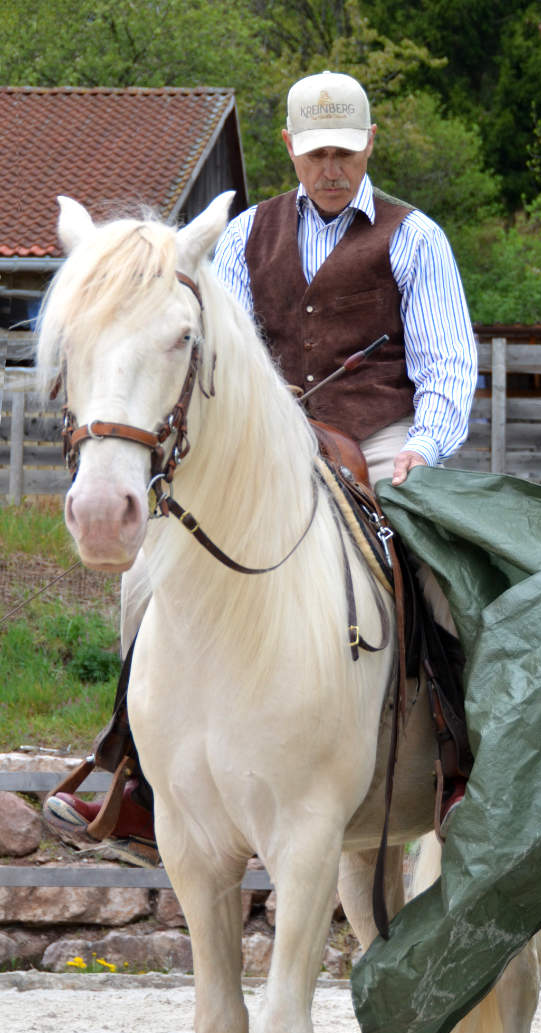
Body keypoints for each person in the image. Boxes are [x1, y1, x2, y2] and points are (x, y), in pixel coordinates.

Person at [44, 70, 477, 863]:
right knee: (146, 575)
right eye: (316, 154)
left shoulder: (415, 238)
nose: (331, 168)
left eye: (345, 150)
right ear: (290, 149)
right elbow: (225, 360)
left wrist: (424, 446)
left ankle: (454, 764)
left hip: (380, 439)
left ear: (369, 143)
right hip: (273, 448)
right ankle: (137, 775)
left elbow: (448, 367)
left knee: (430, 564)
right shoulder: (245, 237)